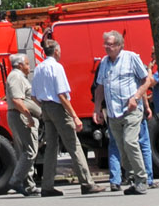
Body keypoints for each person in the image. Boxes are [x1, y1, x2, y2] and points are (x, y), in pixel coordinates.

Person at [31, 36, 98, 195]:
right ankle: (87, 183)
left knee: (51, 147)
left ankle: (47, 186)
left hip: (45, 107)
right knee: (73, 144)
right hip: (58, 107)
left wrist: (44, 106)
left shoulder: (39, 68)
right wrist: (74, 116)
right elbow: (62, 95)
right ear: (55, 51)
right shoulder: (57, 67)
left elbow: (33, 96)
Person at [93, 30, 152, 195]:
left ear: (120, 45)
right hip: (113, 114)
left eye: (110, 44)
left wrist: (137, 97)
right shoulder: (104, 62)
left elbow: (146, 80)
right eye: (105, 44)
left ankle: (142, 179)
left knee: (130, 142)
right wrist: (97, 109)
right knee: (122, 148)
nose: (107, 47)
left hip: (131, 110)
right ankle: (132, 178)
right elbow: (100, 87)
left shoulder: (131, 57)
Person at [3, 53, 41, 195]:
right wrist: (29, 117)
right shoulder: (16, 77)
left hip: (20, 116)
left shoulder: (19, 77)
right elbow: (17, 100)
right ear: (19, 65)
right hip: (20, 116)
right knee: (30, 151)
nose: (29, 67)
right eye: (27, 63)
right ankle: (16, 180)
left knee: (25, 152)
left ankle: (29, 185)